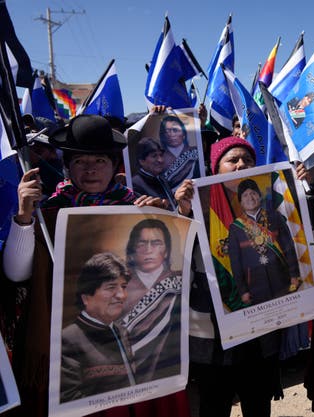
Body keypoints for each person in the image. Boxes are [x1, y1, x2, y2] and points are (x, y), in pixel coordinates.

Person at [0, 114, 189, 417]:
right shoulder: (49, 213)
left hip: (134, 352)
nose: (89, 169)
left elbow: (171, 271)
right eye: (80, 161)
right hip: (70, 356)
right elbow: (17, 274)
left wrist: (173, 217)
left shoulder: (138, 209)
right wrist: (24, 218)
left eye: (99, 161)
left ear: (114, 165)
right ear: (67, 166)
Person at [174, 136, 287, 417]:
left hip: (260, 321)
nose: (240, 165)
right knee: (214, 402)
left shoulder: (267, 202)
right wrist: (182, 211)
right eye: (232, 160)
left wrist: (298, 190)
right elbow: (176, 255)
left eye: (247, 160)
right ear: (215, 169)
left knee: (258, 401)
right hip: (214, 329)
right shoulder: (195, 203)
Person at [60, 253, 135, 402]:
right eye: (111, 287)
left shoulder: (122, 332)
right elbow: (69, 398)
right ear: (86, 297)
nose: (121, 295)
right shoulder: (68, 338)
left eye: (124, 286)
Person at [121, 219, 182, 382]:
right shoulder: (119, 290)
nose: (148, 250)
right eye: (142, 244)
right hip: (131, 379)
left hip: (172, 374)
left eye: (156, 243)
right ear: (133, 250)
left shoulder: (181, 282)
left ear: (167, 251)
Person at [228, 178, 302, 305]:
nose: (250, 198)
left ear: (259, 196)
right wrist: (243, 290)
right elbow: (235, 262)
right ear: (240, 202)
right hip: (255, 286)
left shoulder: (275, 217)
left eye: (253, 193)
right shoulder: (235, 228)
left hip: (282, 278)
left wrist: (294, 275)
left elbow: (289, 247)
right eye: (245, 195)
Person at [131, 137, 176, 208]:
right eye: (154, 156)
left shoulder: (161, 179)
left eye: (161, 155)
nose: (160, 160)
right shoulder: (135, 184)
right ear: (142, 161)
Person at [159, 115, 200, 190]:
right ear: (163, 135)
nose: (171, 134)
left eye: (175, 130)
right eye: (167, 131)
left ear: (183, 134)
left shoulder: (196, 151)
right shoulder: (159, 158)